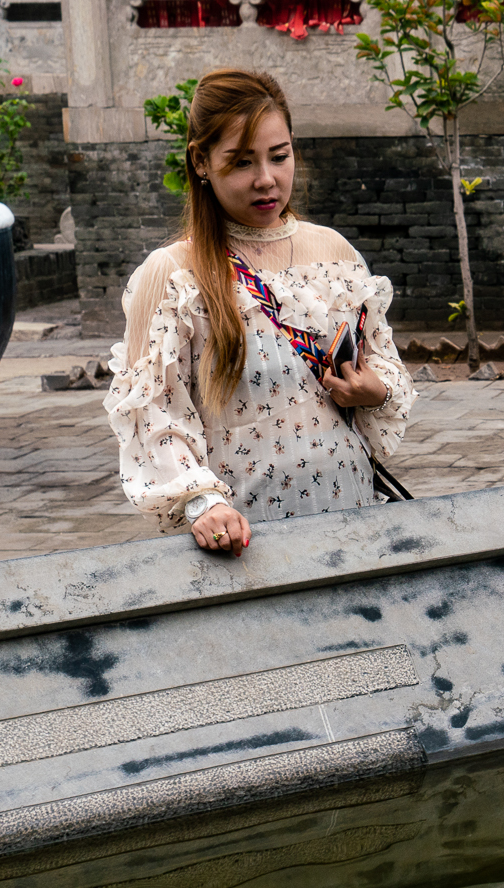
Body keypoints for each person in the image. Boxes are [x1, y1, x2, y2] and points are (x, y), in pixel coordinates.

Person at [105, 68, 412, 556]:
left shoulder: (334, 253)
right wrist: (202, 503)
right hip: (247, 538)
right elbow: (153, 413)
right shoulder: (173, 274)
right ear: (202, 161)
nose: (266, 179)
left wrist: (375, 390)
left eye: (279, 156)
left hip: (354, 520)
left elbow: (384, 366)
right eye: (242, 162)